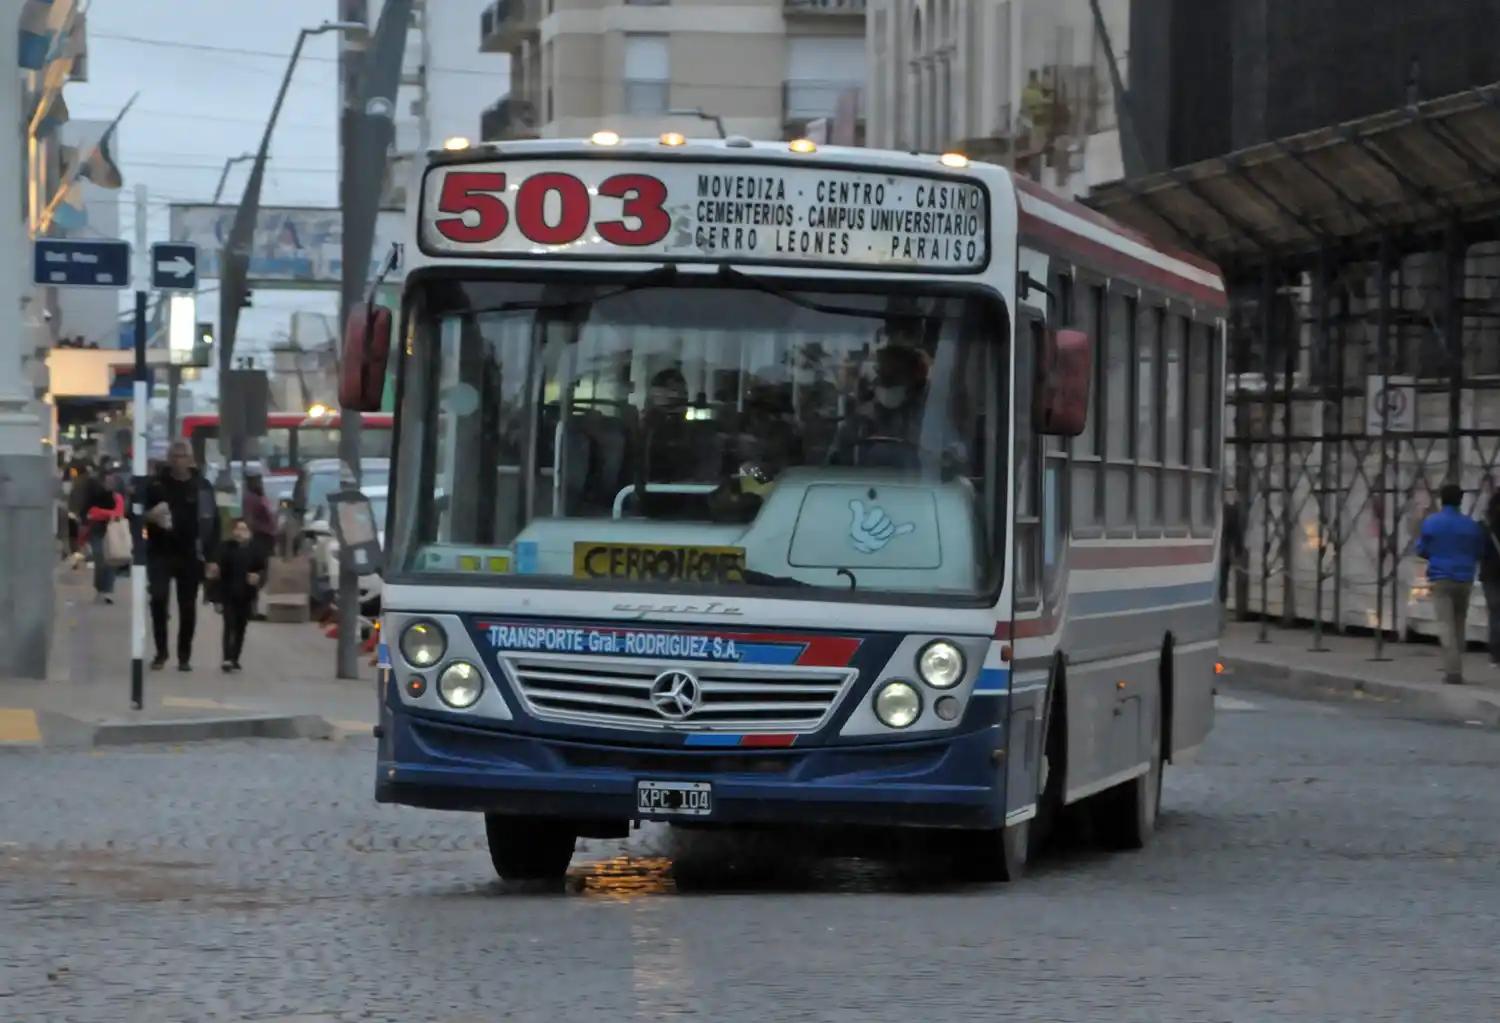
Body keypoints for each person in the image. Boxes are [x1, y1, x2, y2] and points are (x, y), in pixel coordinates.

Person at [144, 439, 222, 671]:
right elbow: (135, 512)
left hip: (190, 554)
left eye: (182, 456)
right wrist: (150, 515)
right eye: (174, 456)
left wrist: (212, 558)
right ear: (169, 459)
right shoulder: (156, 485)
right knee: (158, 599)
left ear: (190, 459)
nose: (178, 461)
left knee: (187, 606)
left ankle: (184, 655)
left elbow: (214, 524)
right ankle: (161, 652)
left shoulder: (202, 486)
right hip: (160, 551)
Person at [1415, 483, 1486, 685]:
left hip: (1441, 577)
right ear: (1460, 500)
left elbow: (1422, 550)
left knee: (1445, 624)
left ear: (1441, 500)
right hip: (1465, 578)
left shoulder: (1432, 523)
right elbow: (1479, 551)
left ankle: (1453, 671)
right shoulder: (1471, 525)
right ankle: (1457, 664)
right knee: (1459, 622)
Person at [213, 518, 267, 672]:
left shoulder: (256, 550)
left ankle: (235, 657)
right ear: (233, 531)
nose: (240, 533)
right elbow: (217, 576)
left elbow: (263, 571)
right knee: (229, 625)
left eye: (244, 530)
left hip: (246, 596)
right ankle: (227, 658)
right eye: (238, 529)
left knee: (241, 627)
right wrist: (216, 599)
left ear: (250, 533)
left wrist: (258, 577)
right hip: (228, 595)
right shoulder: (225, 548)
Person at [82, 468, 127, 603]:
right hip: (97, 530)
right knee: (99, 559)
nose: (110, 483)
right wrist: (106, 513)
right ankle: (100, 588)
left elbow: (118, 513)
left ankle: (107, 591)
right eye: (108, 481)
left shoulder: (117, 497)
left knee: (110, 560)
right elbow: (91, 512)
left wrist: (101, 513)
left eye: (112, 480)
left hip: (112, 531)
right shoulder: (95, 496)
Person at [1478, 488, 1500, 669]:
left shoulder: (1485, 527)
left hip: (1491, 575)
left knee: (1495, 613)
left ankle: (1495, 655)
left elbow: (1480, 552)